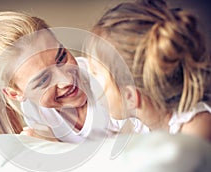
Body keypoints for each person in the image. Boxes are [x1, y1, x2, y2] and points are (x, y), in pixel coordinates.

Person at [0, 11, 117, 142]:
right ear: (15, 94)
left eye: (61, 57)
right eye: (44, 80)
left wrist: (56, 147)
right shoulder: (35, 110)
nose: (67, 80)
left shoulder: (107, 80)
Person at [86, 0, 211, 141]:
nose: (88, 78)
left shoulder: (196, 130)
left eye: (95, 72)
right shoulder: (140, 123)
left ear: (130, 97)